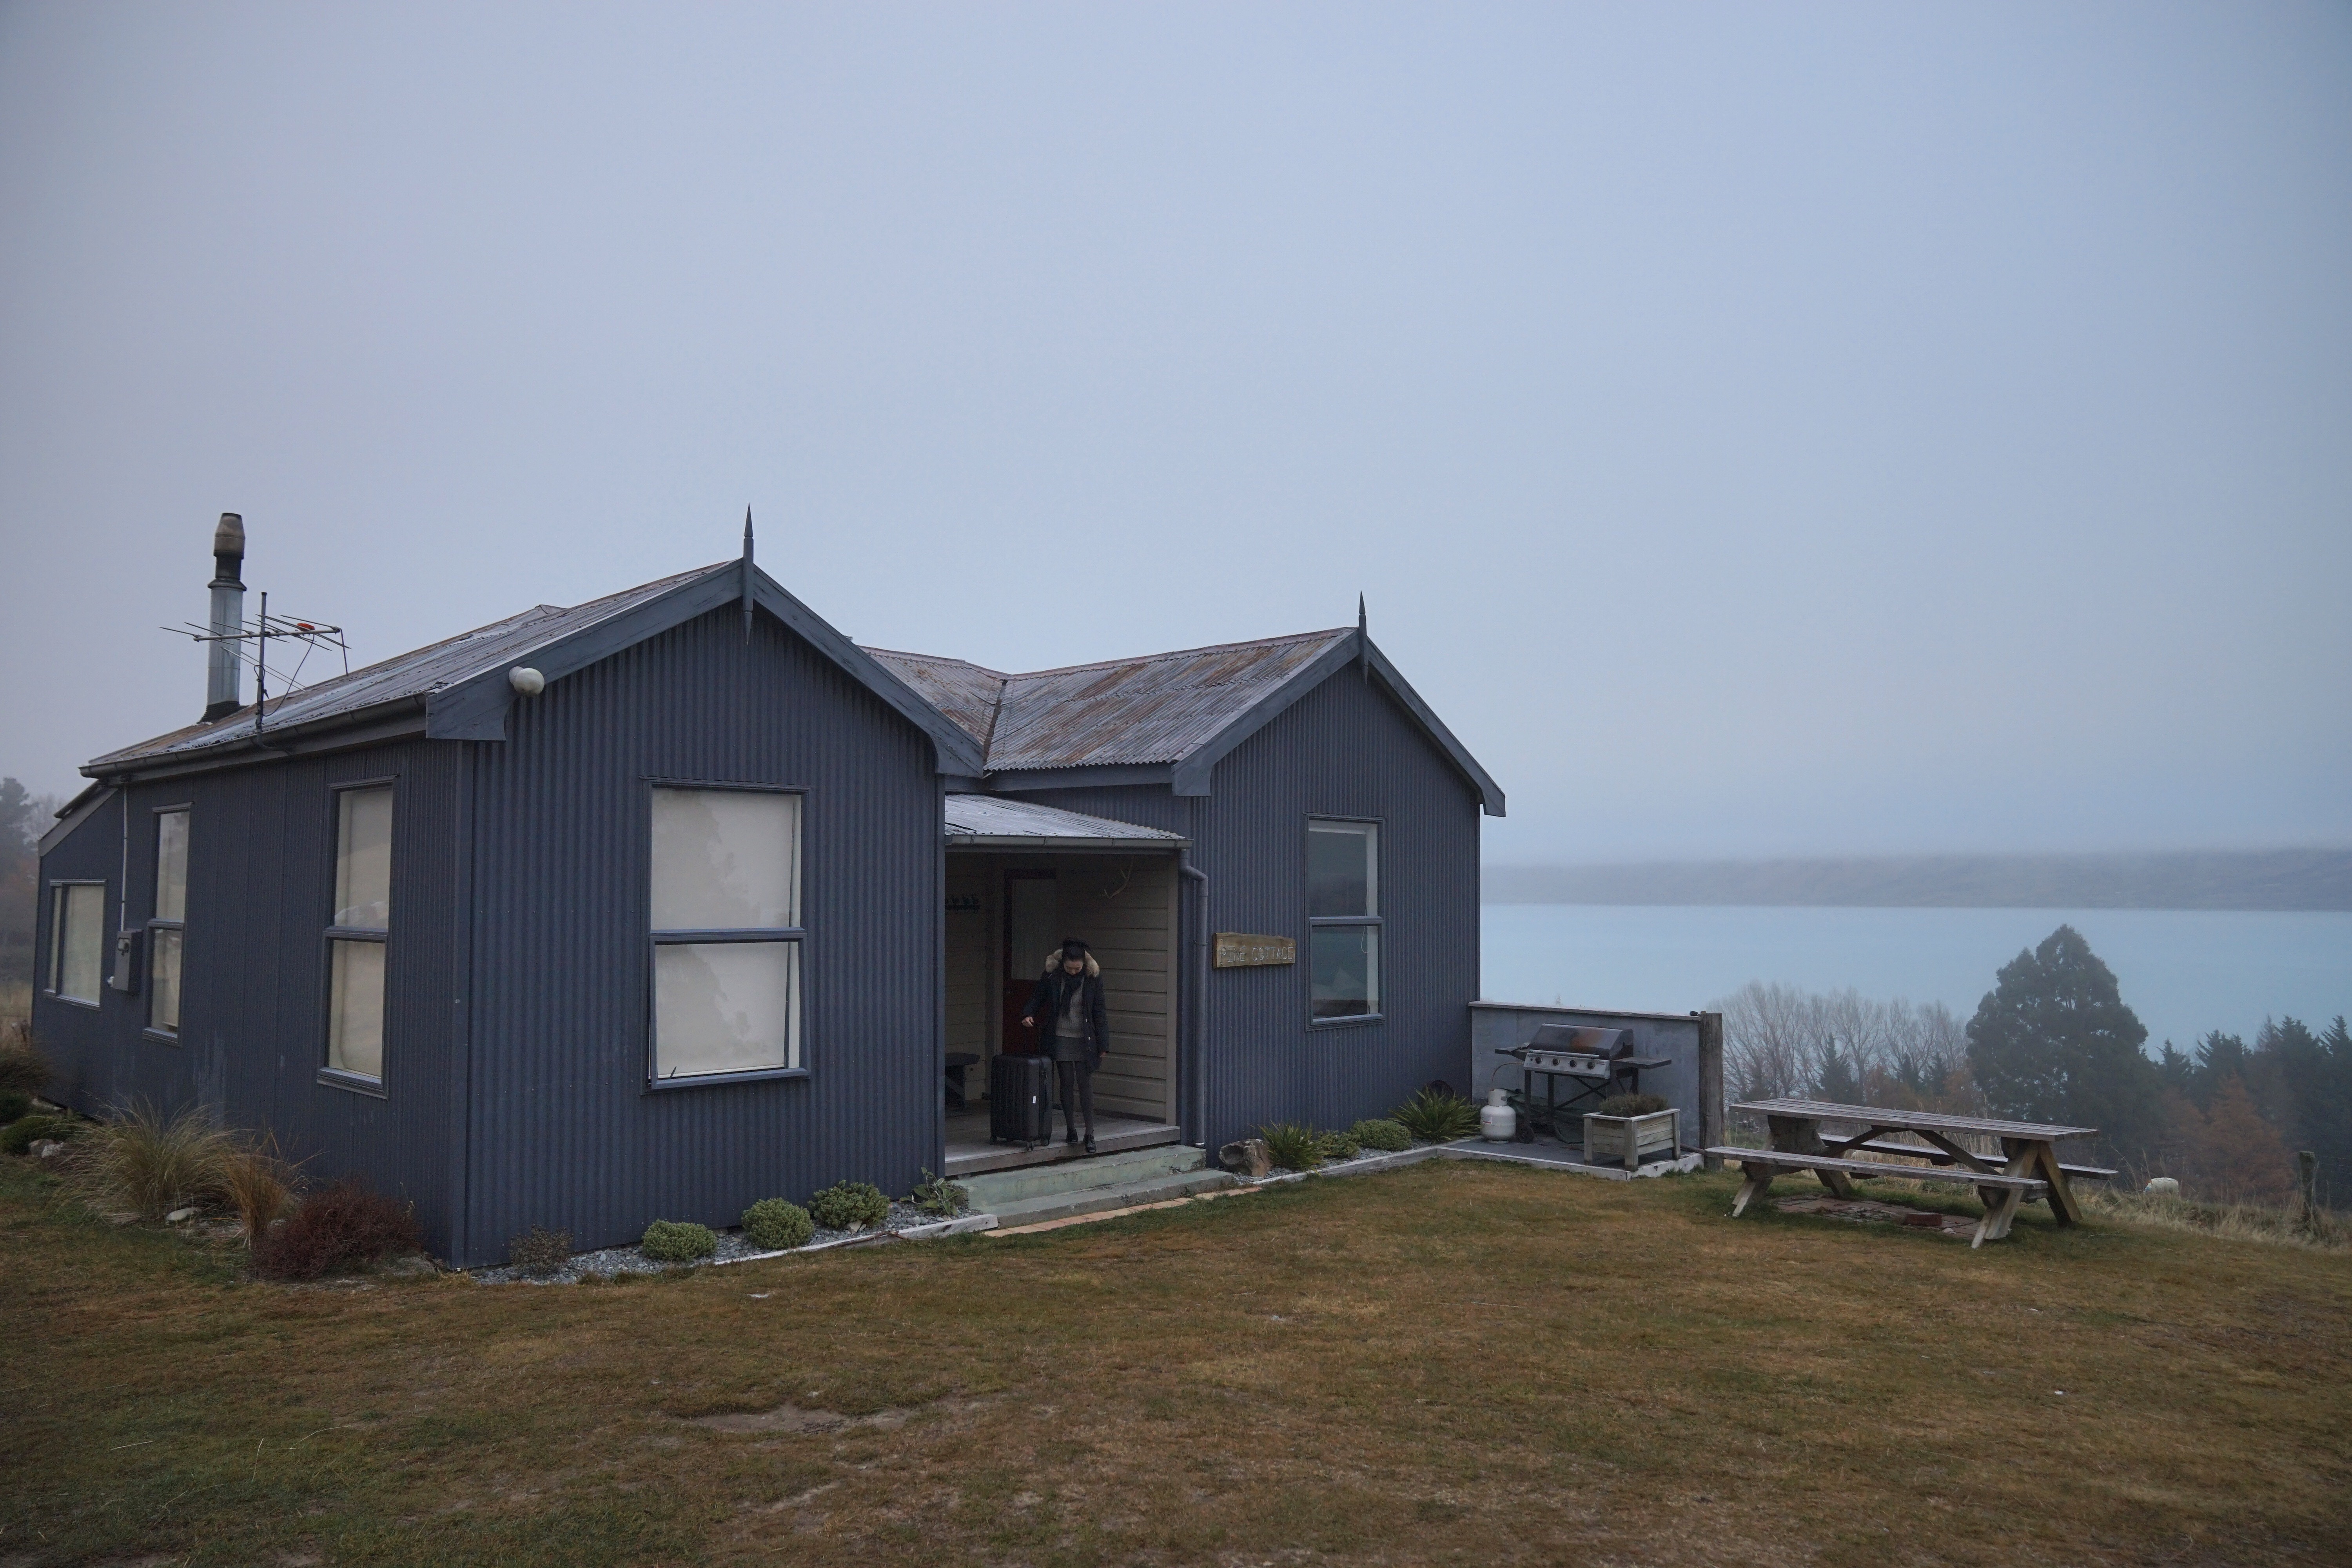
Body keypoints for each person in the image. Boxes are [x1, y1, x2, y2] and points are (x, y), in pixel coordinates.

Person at [1020, 938, 1109, 1152]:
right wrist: (1027, 1013)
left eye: (1077, 968)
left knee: (1086, 1085)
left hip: (1085, 1039)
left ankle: (1090, 1134)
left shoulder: (1092, 978)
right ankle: (1071, 1129)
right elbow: (1038, 997)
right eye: (1069, 968)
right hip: (1059, 1036)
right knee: (1066, 1084)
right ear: (1063, 965)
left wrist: (1103, 1044)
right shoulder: (1052, 976)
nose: (1073, 972)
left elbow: (1100, 1011)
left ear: (1084, 965)